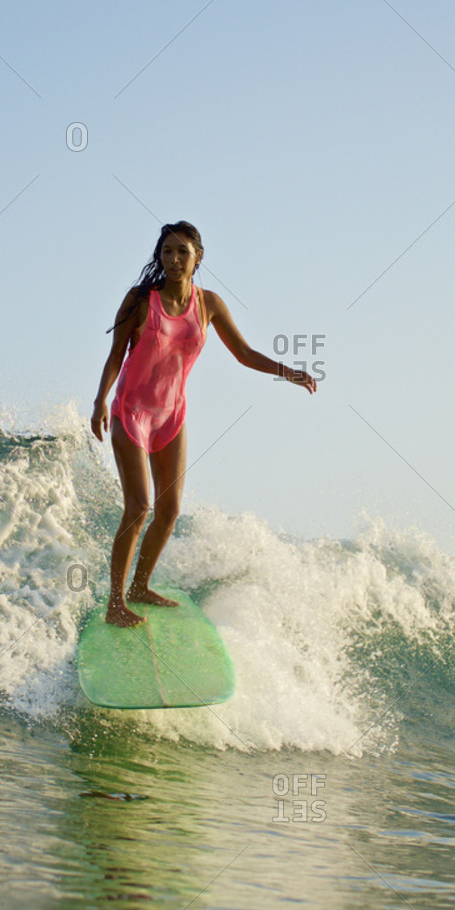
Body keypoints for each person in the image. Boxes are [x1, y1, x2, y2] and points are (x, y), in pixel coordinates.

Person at [90, 221, 317, 627]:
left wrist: (290, 372)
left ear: (197, 258)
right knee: (140, 506)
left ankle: (140, 586)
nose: (174, 259)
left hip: (171, 417)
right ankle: (115, 603)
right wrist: (100, 402)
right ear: (159, 257)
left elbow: (244, 354)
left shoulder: (208, 304)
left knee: (170, 509)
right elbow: (115, 355)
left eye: (183, 252)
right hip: (132, 413)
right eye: (167, 252)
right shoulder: (141, 300)